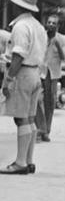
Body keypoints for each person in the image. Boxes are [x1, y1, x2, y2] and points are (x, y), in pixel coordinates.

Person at [0, 0, 46, 175]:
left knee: (21, 119)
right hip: (36, 73)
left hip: (23, 73)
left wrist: (9, 78)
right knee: (30, 118)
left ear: (17, 5)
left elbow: (18, 55)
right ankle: (28, 160)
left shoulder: (20, 26)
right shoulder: (38, 26)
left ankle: (20, 162)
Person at [34, 13, 65, 142]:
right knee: (36, 99)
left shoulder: (62, 39)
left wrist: (58, 45)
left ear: (58, 26)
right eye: (49, 22)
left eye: (54, 23)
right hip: (40, 72)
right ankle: (41, 128)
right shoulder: (42, 36)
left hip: (52, 75)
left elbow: (64, 58)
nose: (51, 25)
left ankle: (46, 131)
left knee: (50, 103)